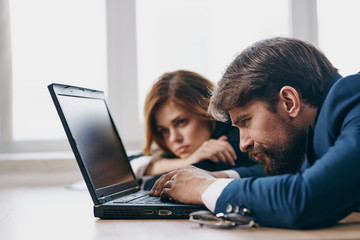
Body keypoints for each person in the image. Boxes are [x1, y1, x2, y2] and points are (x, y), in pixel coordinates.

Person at [149, 37, 360, 229]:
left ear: (289, 102)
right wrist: (219, 177)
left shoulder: (354, 100)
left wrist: (204, 188)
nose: (243, 144)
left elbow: (307, 197)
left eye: (246, 121)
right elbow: (292, 175)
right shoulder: (321, 128)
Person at [130, 70, 258, 188]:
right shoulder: (176, 151)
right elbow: (129, 165)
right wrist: (188, 160)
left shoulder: (236, 137)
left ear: (206, 112)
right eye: (163, 130)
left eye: (181, 122)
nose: (174, 138)